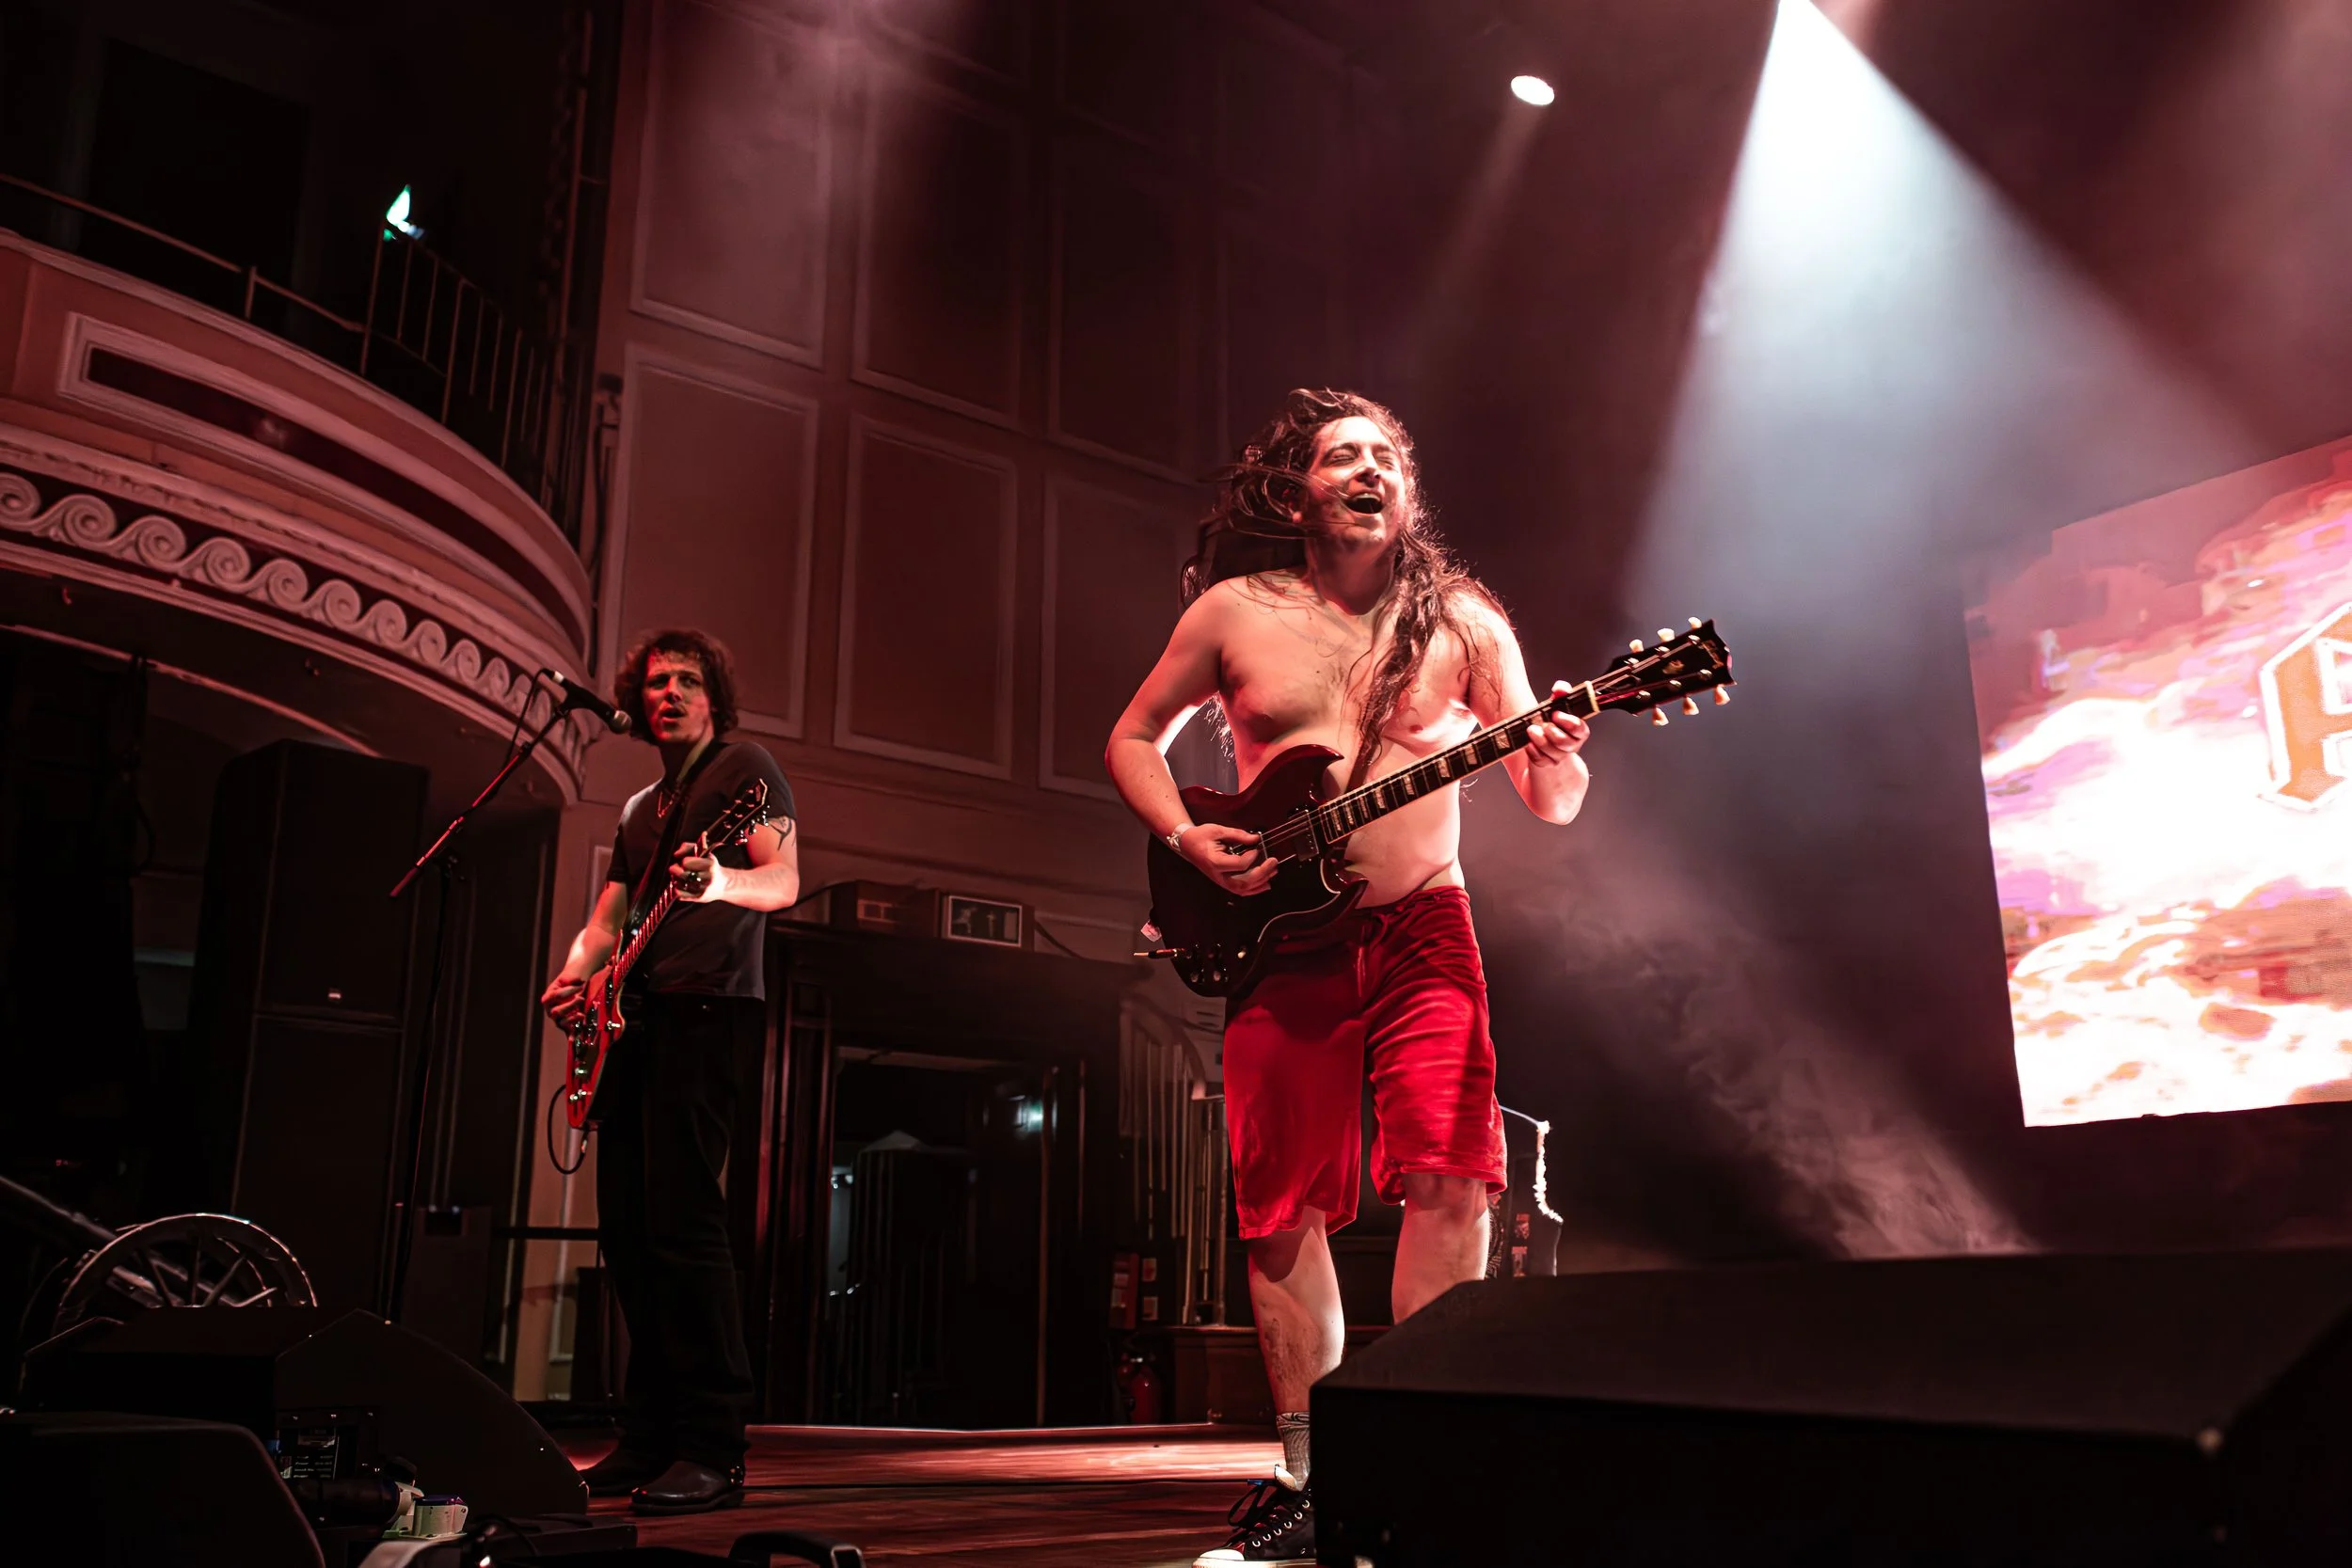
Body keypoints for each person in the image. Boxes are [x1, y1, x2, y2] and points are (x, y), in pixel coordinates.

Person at [1105, 389, 1590, 1566]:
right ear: (1299, 492)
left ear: (1406, 491)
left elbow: (1552, 799)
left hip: (1425, 922)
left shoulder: (1463, 621)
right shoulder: (1234, 612)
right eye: (1343, 456)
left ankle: (1421, 1450)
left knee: (1455, 1171)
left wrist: (1560, 752)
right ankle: (1308, 1471)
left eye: (1387, 457)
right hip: (1283, 939)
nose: (1370, 470)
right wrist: (1186, 838)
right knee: (1281, 1203)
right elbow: (1131, 738)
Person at [541, 629, 800, 1515]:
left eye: (688, 680)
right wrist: (577, 973)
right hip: (634, 1019)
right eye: (656, 683)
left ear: (714, 697)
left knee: (686, 1225)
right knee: (628, 1231)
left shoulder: (744, 770)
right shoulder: (639, 808)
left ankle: (713, 1445)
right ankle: (647, 1436)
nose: (670, 693)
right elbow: (608, 918)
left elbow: (782, 879)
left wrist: (718, 883)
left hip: (708, 1009)